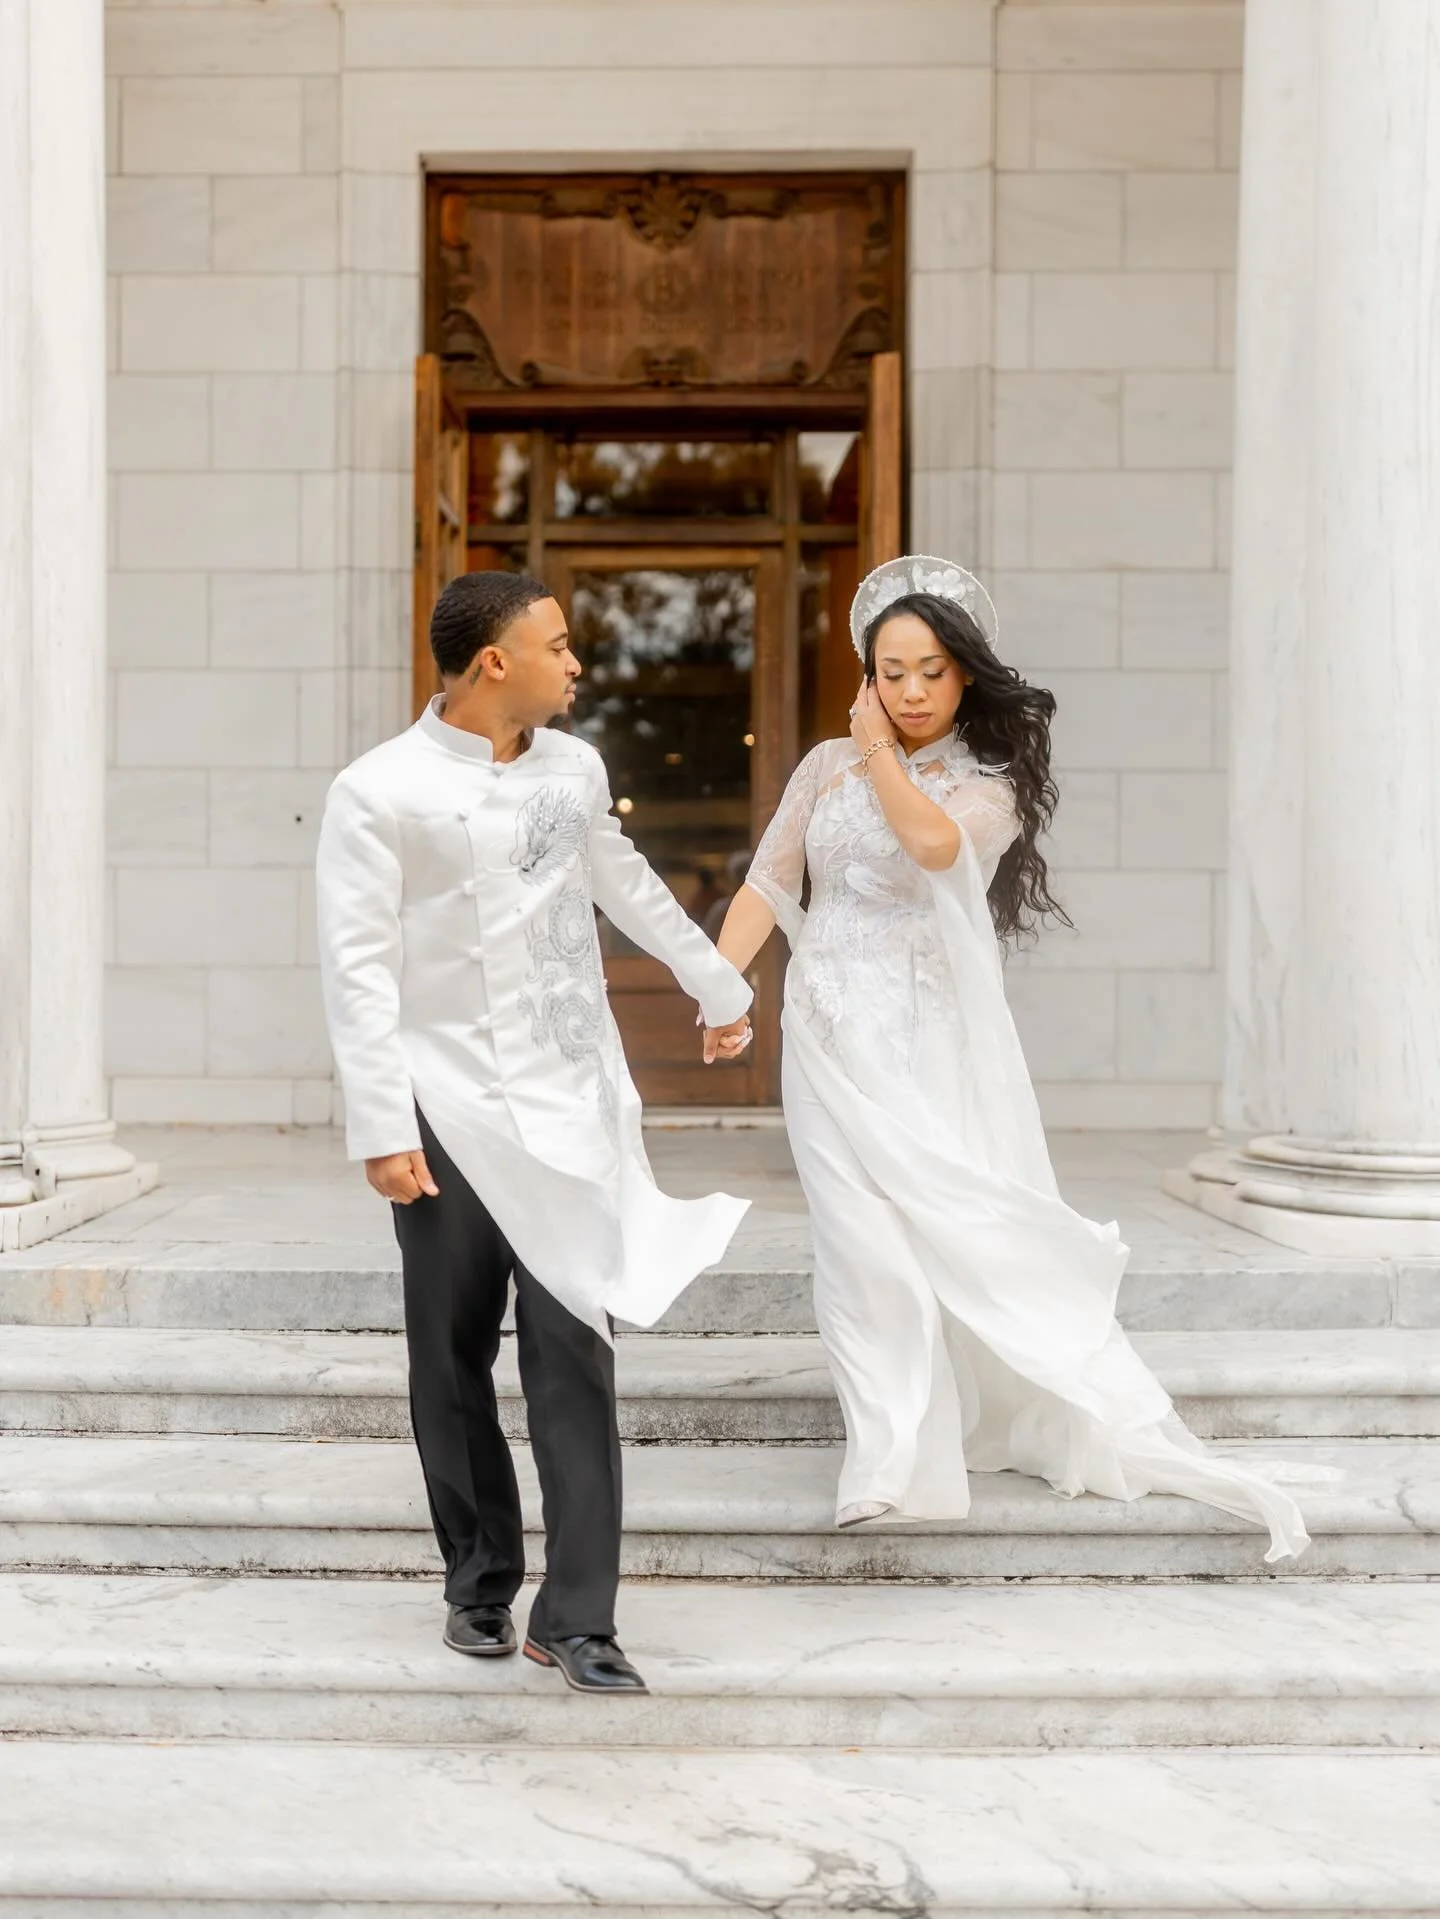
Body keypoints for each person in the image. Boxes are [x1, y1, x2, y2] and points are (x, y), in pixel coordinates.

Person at [713, 555, 1308, 1561]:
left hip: (925, 1046)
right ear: (866, 671)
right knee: (862, 1251)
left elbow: (935, 847)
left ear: (965, 676)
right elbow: (769, 884)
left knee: (931, 1237)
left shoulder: (989, 785)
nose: (907, 690)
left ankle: (973, 1417)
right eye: (890, 670)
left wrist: (882, 757)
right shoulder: (822, 767)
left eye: (930, 670)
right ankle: (891, 1463)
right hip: (824, 1033)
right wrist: (725, 987)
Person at [315, 571, 753, 1694]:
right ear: (493, 663)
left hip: (568, 1105)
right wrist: (378, 1122)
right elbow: (358, 970)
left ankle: (581, 1616)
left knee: (576, 1353)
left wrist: (718, 985)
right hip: (444, 1106)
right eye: (557, 646)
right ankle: (479, 1582)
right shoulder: (377, 790)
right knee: (450, 1356)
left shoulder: (575, 767)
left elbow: (627, 882)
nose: (577, 664)